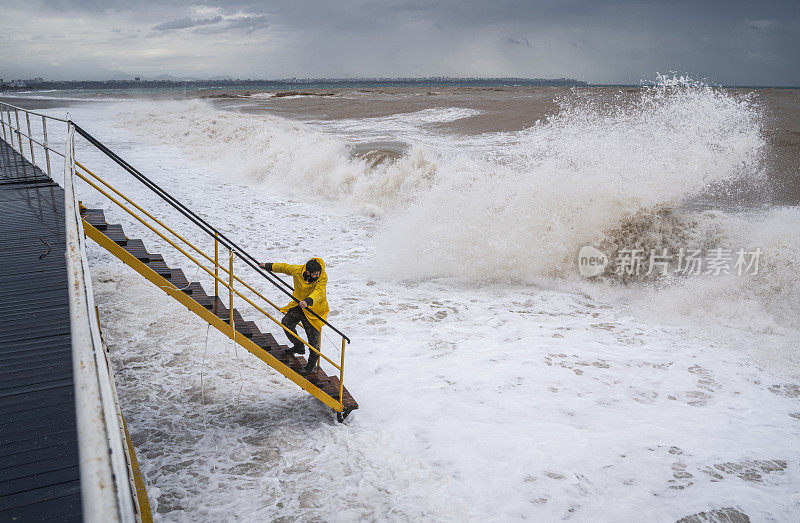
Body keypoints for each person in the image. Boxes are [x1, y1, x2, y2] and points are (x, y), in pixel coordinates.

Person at [258, 258, 329, 375]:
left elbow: (319, 292)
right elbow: (284, 267)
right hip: (299, 304)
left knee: (313, 341)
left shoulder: (322, 276)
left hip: (314, 310)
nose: (317, 275)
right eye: (315, 274)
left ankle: (311, 364)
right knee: (286, 323)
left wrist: (308, 301)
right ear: (307, 272)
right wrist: (267, 266)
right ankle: (298, 346)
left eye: (318, 273)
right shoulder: (297, 271)